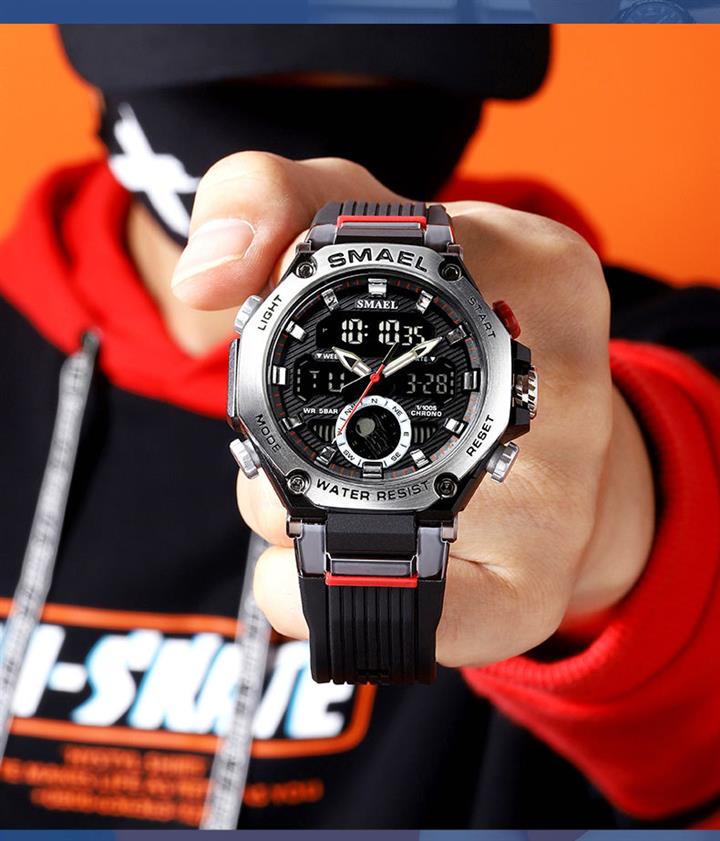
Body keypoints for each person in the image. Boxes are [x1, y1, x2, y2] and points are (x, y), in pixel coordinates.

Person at [0, 24, 718, 829]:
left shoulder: (668, 343)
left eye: (378, 80)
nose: (316, 97)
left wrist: (621, 521)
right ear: (245, 392)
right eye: (260, 79)